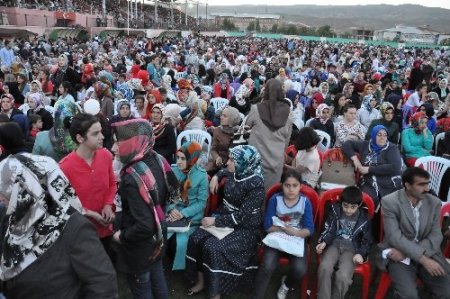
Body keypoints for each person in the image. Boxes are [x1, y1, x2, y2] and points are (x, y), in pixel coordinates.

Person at [0, 123, 118, 298]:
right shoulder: (9, 220)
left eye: (5, 192)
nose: (2, 199)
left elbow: (103, 284)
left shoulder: (73, 226)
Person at [185, 145, 265, 299]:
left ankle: (216, 291)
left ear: (244, 163)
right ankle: (201, 281)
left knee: (213, 247)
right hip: (225, 216)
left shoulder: (256, 186)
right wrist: (216, 176)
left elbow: (242, 217)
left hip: (244, 228)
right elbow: (224, 170)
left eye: (232, 160)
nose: (228, 162)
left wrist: (215, 220)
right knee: (195, 238)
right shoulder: (237, 171)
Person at [111, 118, 177, 299]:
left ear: (132, 143)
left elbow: (144, 225)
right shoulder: (157, 158)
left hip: (141, 246)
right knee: (157, 278)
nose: (113, 148)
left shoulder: (132, 178)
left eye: (118, 143)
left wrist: (121, 236)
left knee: (142, 287)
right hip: (158, 237)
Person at [379, 167, 450, 299]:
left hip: (421, 252)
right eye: (421, 184)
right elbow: (394, 237)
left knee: (447, 292)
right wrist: (423, 259)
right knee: (408, 295)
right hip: (398, 255)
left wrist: (417, 255)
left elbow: (436, 236)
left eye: (427, 183)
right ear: (407, 185)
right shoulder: (390, 201)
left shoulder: (433, 202)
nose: (427, 188)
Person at [60, 113, 117, 258]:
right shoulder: (65, 167)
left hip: (105, 228)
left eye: (101, 132)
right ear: (80, 138)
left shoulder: (105, 155)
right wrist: (91, 214)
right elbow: (64, 202)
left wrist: (107, 205)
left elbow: (112, 183)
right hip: (81, 232)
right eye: (95, 134)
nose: (102, 137)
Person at [252, 170, 314, 299]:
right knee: (267, 265)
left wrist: (296, 232)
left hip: (296, 238)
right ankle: (257, 296)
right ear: (282, 185)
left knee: (300, 269)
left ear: (300, 186)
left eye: (295, 185)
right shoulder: (275, 199)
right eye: (287, 185)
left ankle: (286, 284)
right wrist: (282, 230)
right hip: (277, 237)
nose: (291, 189)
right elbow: (267, 225)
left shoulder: (305, 202)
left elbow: (309, 229)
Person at [316, 186, 372, 299]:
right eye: (345, 206)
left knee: (343, 276)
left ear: (359, 205)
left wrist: (361, 253)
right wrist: (323, 241)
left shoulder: (364, 219)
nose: (348, 210)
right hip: (334, 245)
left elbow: (367, 239)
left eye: (353, 207)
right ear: (341, 202)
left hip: (352, 250)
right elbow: (329, 228)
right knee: (324, 267)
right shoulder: (335, 210)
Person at [167, 141, 208, 270]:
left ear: (192, 158)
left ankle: (179, 268)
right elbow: (167, 195)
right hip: (173, 210)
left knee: (177, 241)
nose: (178, 161)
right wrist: (171, 209)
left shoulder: (202, 176)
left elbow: (202, 203)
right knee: (162, 234)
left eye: (183, 158)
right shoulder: (172, 170)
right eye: (177, 157)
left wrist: (183, 214)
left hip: (191, 215)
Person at [247, 78, 292, 191]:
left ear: (265, 91)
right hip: (275, 163)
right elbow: (287, 140)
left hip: (255, 161)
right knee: (269, 194)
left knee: (252, 194)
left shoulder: (256, 109)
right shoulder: (288, 113)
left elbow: (247, 126)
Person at [343, 125, 402, 207]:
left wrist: (370, 169)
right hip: (369, 181)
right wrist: (355, 158)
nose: (382, 138)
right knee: (366, 199)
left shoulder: (392, 148)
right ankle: (370, 217)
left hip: (388, 180)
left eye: (385, 135)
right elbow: (347, 144)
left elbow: (395, 167)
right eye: (379, 135)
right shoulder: (365, 145)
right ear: (373, 135)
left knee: (391, 201)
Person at [205, 106, 241, 175]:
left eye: (225, 116)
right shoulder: (217, 130)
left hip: (232, 165)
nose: (221, 117)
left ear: (232, 119)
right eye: (221, 115)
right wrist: (217, 157)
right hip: (217, 163)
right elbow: (213, 149)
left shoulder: (239, 132)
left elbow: (236, 156)